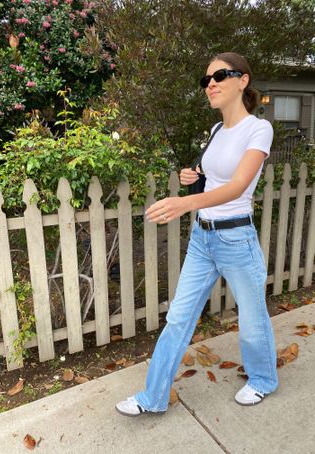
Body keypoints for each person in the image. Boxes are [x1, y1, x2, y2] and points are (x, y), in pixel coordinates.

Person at [115, 51, 279, 416]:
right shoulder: (217, 130)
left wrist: (183, 203)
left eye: (220, 76)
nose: (211, 84)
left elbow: (238, 186)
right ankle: (153, 398)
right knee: (178, 317)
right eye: (206, 80)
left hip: (236, 239)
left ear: (243, 80)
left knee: (252, 320)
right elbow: (216, 177)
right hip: (203, 240)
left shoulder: (258, 129)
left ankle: (263, 380)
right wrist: (196, 177)